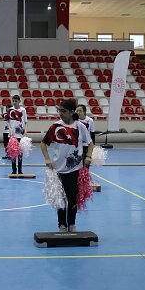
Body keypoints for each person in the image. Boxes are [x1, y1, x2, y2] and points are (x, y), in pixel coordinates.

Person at [40, 98, 93, 233]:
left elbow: (90, 143)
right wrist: (47, 159)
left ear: (71, 112)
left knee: (72, 197)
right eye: (59, 111)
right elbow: (43, 143)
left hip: (75, 169)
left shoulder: (80, 126)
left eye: (63, 111)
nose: (60, 113)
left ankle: (72, 224)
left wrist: (88, 156)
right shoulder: (55, 127)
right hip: (58, 169)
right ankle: (62, 224)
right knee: (60, 198)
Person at [6, 95, 27, 174]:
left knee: (20, 153)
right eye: (13, 101)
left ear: (19, 101)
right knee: (13, 153)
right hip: (13, 135)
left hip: (21, 134)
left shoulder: (23, 110)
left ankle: (20, 170)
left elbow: (25, 121)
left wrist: (25, 130)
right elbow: (7, 121)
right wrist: (10, 129)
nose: (14, 102)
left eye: (16, 101)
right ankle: (14, 170)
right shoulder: (10, 110)